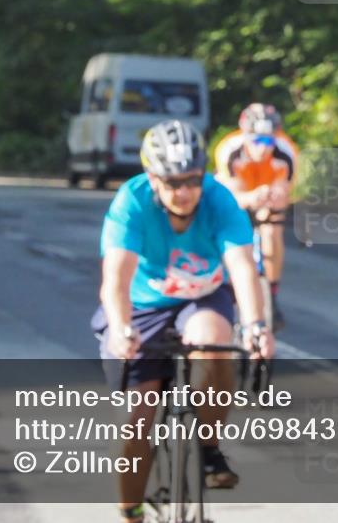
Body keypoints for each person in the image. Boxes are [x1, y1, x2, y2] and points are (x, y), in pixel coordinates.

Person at [90, 119, 275, 523]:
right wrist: (122, 329)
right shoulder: (131, 201)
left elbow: (243, 268)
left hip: (203, 297)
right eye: (172, 183)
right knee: (136, 419)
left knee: (215, 343)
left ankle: (209, 447)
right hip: (141, 305)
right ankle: (131, 511)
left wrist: (257, 325)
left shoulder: (218, 199)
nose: (185, 192)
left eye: (193, 180)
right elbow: (115, 282)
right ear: (152, 177)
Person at [214, 103, 299, 331]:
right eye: (257, 141)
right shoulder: (229, 150)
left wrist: (272, 200)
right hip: (240, 190)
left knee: (272, 229)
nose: (262, 148)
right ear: (245, 135)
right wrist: (251, 198)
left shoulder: (286, 152)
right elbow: (232, 197)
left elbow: (283, 192)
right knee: (235, 231)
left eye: (268, 141)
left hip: (268, 187)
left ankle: (271, 291)